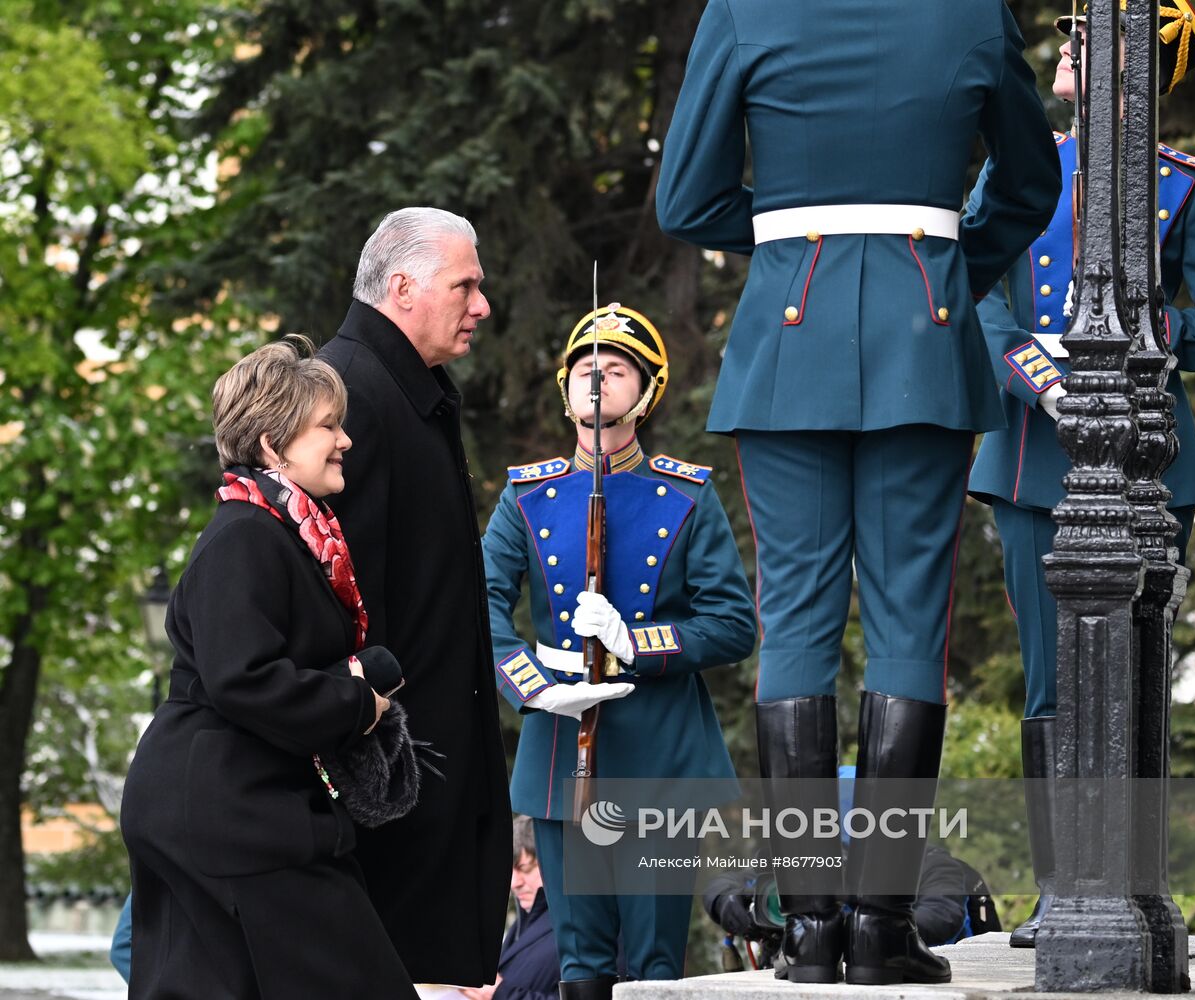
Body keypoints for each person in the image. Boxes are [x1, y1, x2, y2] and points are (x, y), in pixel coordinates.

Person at [655, 0, 1061, 986]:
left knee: (793, 620)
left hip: (790, 336)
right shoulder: (972, 15)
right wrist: (946, 263)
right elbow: (1031, 177)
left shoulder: (745, 11)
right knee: (910, 627)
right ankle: (882, 927)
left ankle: (808, 930)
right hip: (925, 323)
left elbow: (686, 199)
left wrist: (804, 242)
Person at [965, 0, 1195, 949]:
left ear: (1143, 68)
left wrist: (1148, 341)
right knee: (1052, 681)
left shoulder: (1181, 189)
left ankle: (1135, 886)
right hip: (1032, 452)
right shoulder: (1020, 170)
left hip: (1142, 456)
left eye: (1091, 37)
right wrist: (1043, 379)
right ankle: (1060, 891)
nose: (1066, 46)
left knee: (1131, 679)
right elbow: (978, 297)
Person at [119, 336, 417, 999]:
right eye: (328, 427)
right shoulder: (247, 535)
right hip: (228, 811)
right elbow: (242, 677)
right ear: (271, 446)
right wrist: (357, 703)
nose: (345, 441)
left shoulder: (277, 531)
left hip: (231, 802)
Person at [481, 305, 757, 1000]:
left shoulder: (687, 495)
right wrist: (535, 688)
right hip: (558, 738)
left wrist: (635, 641)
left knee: (655, 962)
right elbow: (474, 605)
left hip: (659, 746)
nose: (597, 382)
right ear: (564, 389)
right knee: (579, 959)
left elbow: (731, 623)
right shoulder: (527, 495)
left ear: (649, 389)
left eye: (616, 369)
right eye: (584, 370)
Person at [319, 208, 512, 986]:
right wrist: (377, 748)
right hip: (395, 782)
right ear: (402, 288)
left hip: (428, 763)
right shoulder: (351, 394)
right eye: (465, 285)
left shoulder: (409, 387)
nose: (482, 306)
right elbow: (341, 601)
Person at [460, 816, 562, 1000]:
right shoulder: (524, 922)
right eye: (509, 871)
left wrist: (501, 993)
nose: (514, 883)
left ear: (554, 862)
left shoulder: (581, 925)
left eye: (525, 867)